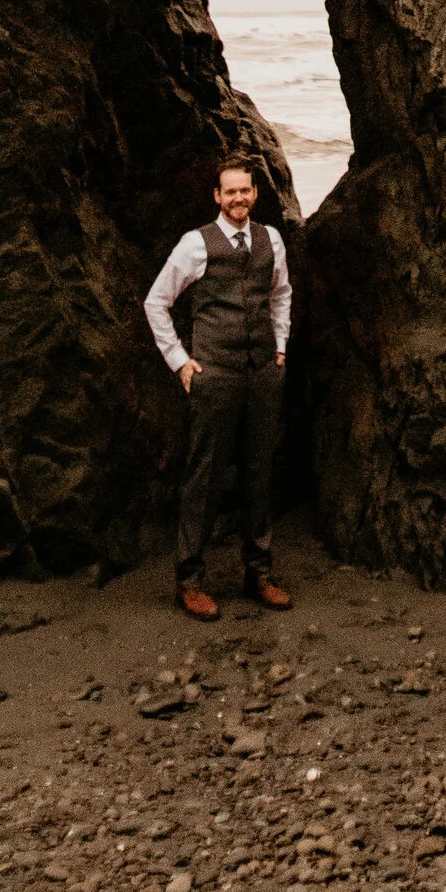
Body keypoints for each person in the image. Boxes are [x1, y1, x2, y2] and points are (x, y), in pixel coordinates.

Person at [144, 157, 294, 622]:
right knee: (204, 476)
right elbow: (157, 302)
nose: (239, 199)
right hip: (215, 373)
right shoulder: (196, 244)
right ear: (217, 196)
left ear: (255, 192)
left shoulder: (271, 238)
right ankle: (189, 581)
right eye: (230, 192)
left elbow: (281, 293)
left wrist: (281, 347)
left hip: (262, 372)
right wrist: (180, 362)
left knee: (258, 471)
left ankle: (260, 575)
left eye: (245, 191)